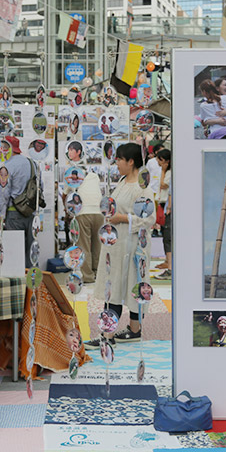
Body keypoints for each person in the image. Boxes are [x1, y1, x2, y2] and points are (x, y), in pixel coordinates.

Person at [85, 143, 156, 349]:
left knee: (124, 285)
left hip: (132, 246)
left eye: (119, 159)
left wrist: (122, 218)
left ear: (130, 161)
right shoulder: (124, 181)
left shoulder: (142, 188)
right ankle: (134, 330)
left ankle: (108, 334)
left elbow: (148, 218)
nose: (116, 163)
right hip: (117, 244)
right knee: (116, 282)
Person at [0, 136, 43, 268]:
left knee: (15, 255)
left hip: (13, 214)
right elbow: (40, 187)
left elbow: (4, 194)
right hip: (31, 214)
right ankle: (33, 286)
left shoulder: (6, 167)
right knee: (32, 253)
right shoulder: (33, 163)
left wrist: (2, 216)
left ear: (7, 149)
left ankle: (19, 286)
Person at [75, 171, 104, 283]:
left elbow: (66, 195)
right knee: (97, 245)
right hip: (99, 212)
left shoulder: (73, 179)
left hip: (83, 213)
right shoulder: (94, 176)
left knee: (84, 245)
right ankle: (98, 273)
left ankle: (87, 276)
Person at [155, 149, 172, 277]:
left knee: (168, 236)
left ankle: (170, 266)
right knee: (165, 235)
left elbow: (163, 185)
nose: (157, 162)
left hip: (167, 206)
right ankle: (168, 262)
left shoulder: (169, 173)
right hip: (163, 205)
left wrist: (163, 171)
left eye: (159, 160)